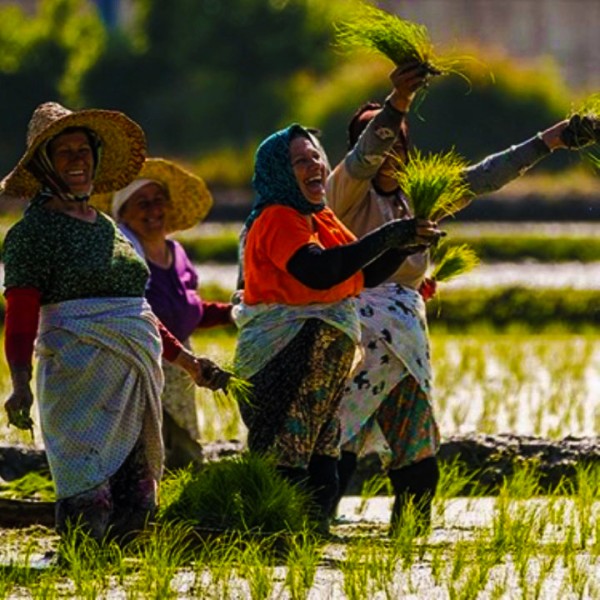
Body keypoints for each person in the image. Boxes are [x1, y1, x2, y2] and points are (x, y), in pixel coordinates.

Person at [326, 62, 600, 534]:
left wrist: (550, 140)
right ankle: (312, 531)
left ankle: (408, 543)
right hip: (355, 338)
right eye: (378, 141)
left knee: (417, 455)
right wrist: (398, 103)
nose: (389, 150)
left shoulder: (420, 198)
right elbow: (368, 154)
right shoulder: (346, 192)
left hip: (406, 344)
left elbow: (486, 176)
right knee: (337, 443)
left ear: (410, 150)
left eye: (398, 142)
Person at [1, 102, 230, 544]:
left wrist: (187, 362)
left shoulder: (108, 228)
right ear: (45, 164)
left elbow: (136, 312)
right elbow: (22, 312)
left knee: (137, 501)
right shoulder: (32, 234)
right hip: (78, 379)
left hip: (133, 379)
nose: (76, 160)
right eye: (63, 152)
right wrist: (19, 381)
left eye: (83, 150)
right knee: (90, 498)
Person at [233, 123, 442, 532]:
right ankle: (276, 550)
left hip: (322, 375)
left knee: (322, 470)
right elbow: (319, 271)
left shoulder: (322, 218)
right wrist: (387, 235)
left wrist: (403, 246)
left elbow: (363, 275)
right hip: (284, 359)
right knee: (287, 464)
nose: (313, 166)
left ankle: (305, 554)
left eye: (315, 157)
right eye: (299, 161)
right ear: (278, 170)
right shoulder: (279, 217)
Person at [91, 158, 233, 469]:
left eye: (158, 201)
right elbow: (135, 314)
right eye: (142, 203)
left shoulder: (177, 252)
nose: (153, 210)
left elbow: (188, 310)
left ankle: (173, 504)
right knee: (147, 449)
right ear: (122, 214)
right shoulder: (124, 257)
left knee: (182, 446)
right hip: (143, 364)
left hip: (181, 364)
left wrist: (231, 313)